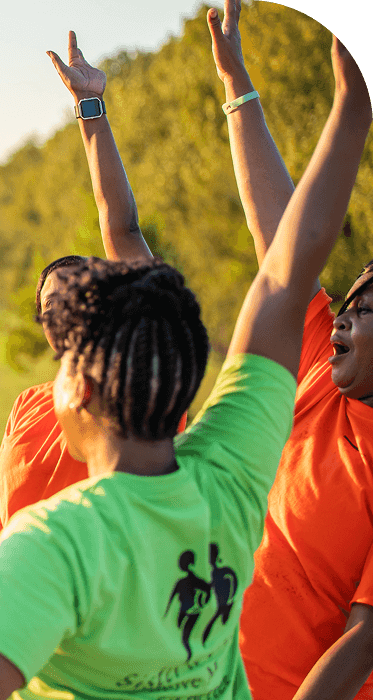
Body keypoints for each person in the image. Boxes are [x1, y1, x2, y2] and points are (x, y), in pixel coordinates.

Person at [0, 30, 371, 700]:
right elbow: (289, 274)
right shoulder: (233, 474)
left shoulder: (56, 540)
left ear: (82, 389)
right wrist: (353, 104)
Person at [206, 2, 373, 697]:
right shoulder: (313, 373)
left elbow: (364, 641)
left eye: (364, 312)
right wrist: (237, 85)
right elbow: (282, 243)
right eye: (346, 305)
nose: (341, 319)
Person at [0, 30, 156, 561]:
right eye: (49, 307)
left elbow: (121, 228)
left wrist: (91, 109)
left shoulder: (136, 380)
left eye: (76, 298)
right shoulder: (30, 405)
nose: (61, 312)